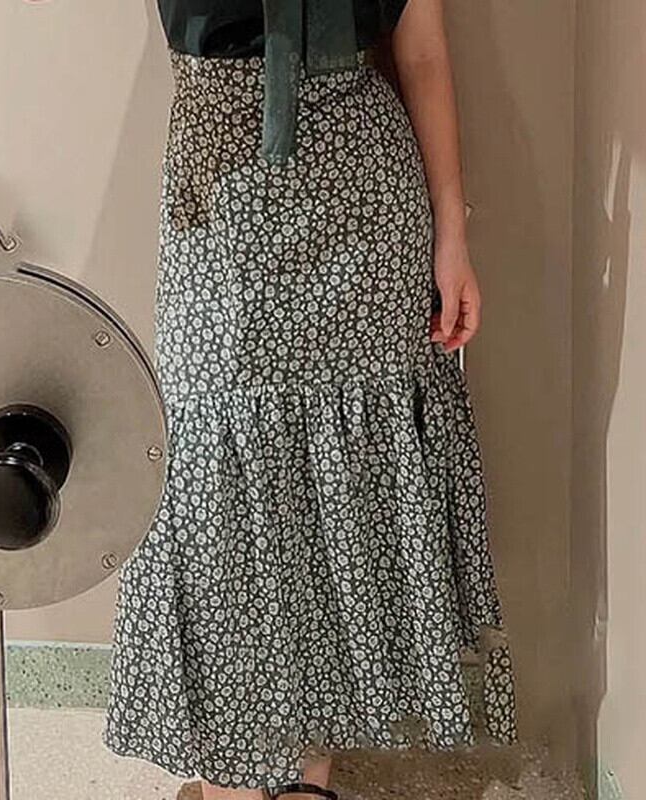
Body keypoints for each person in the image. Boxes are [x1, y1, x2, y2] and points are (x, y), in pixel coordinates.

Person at [103, 1, 518, 798]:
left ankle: (309, 778)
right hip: (218, 178)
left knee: (343, 489)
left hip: (364, 196)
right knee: (216, 493)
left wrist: (452, 234)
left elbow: (422, 50)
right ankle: (230, 773)